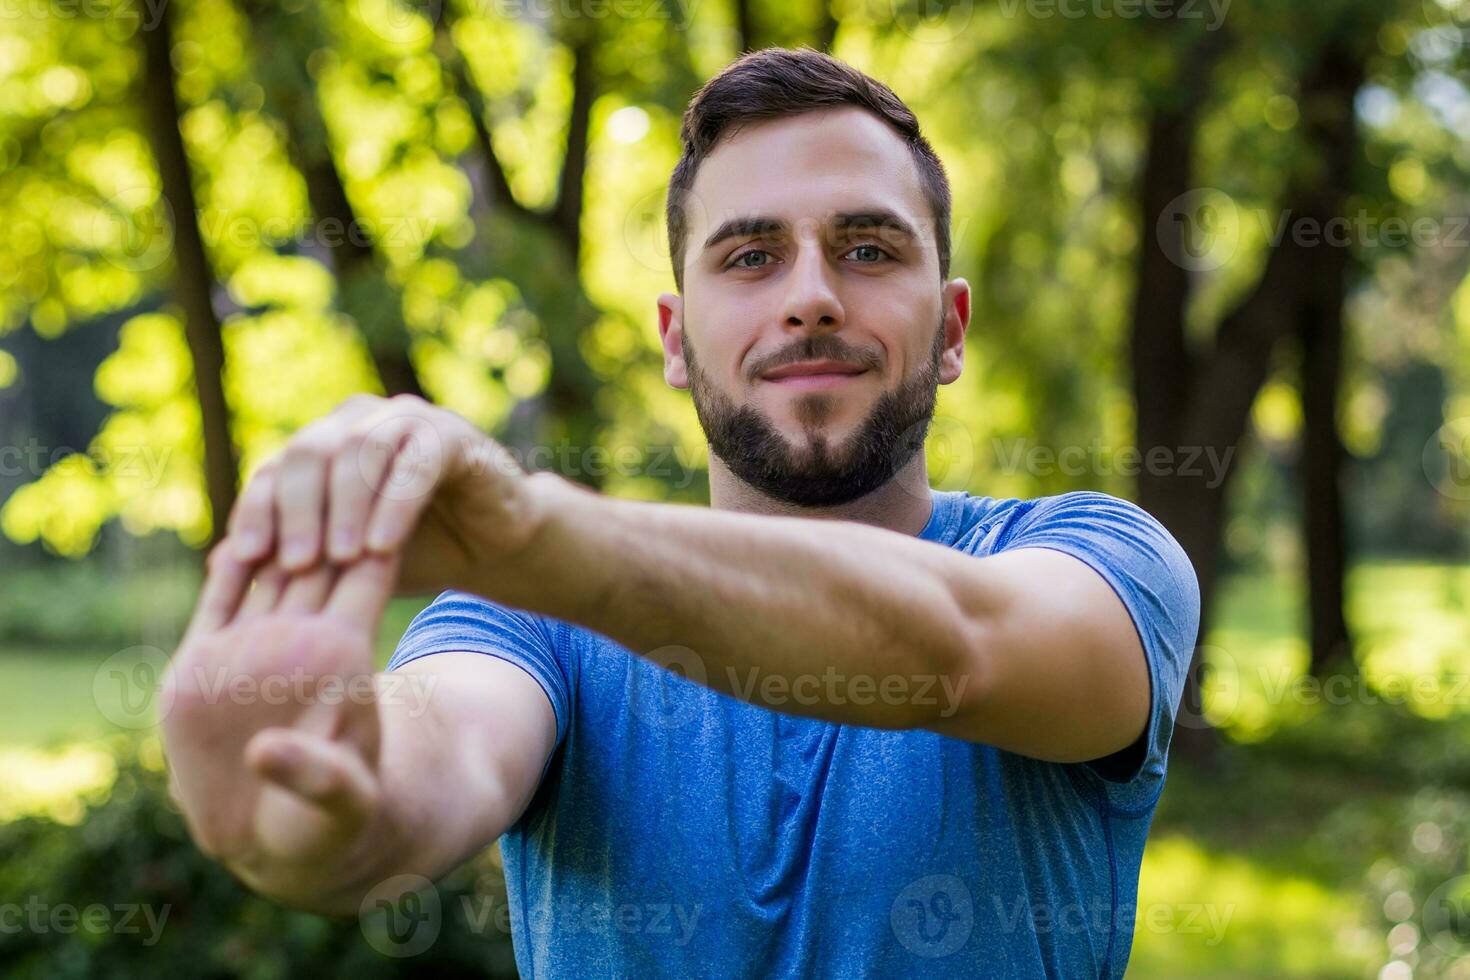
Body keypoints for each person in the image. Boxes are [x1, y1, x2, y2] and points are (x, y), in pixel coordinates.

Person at [161, 45, 1201, 978]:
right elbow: (438, 760)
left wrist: (528, 531)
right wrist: (320, 816)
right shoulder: (533, 622)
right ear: (673, 335)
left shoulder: (1102, 557)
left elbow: (958, 647)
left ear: (953, 326)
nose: (811, 296)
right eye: (750, 257)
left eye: (870, 249)